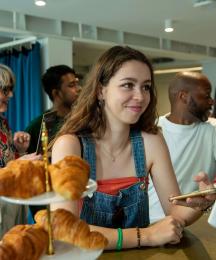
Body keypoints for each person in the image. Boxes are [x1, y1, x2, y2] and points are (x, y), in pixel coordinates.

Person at [50, 46, 216, 250]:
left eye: (145, 87)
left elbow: (175, 212)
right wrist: (145, 236)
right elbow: (64, 230)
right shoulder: (70, 145)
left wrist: (202, 202)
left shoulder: (151, 140)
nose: (140, 96)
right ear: (101, 90)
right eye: (128, 85)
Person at [149, 71, 216, 223]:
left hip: (185, 222)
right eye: (206, 96)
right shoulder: (152, 130)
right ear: (183, 96)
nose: (212, 101)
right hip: (146, 222)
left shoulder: (212, 130)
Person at [0, 64, 41, 237]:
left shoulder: (3, 123)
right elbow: (11, 168)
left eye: (11, 89)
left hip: (11, 205)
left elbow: (7, 163)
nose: (11, 95)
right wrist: (18, 164)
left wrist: (20, 151)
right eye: (5, 90)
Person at [25, 65, 80, 153]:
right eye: (71, 85)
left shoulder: (82, 120)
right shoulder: (39, 126)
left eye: (77, 84)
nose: (78, 89)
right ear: (56, 93)